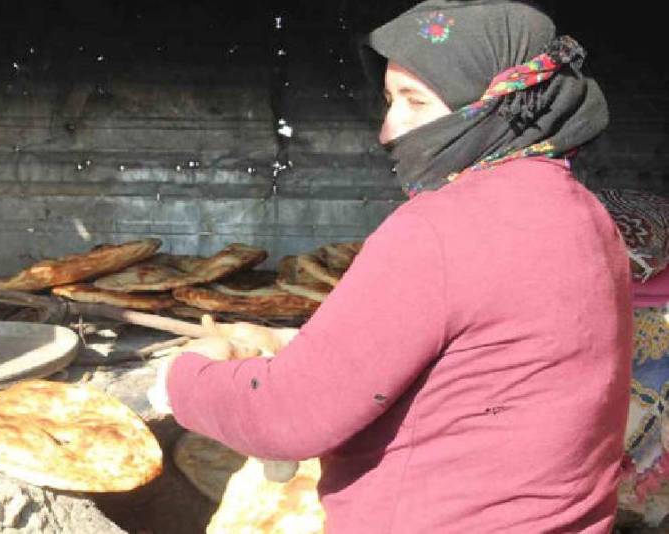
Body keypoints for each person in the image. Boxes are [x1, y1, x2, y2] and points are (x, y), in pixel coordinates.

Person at [151, 1, 631, 532]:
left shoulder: (441, 228)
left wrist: (185, 375)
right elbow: (485, 365)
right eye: (389, 101)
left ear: (492, 104)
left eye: (415, 102)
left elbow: (286, 417)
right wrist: (295, 348)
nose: (389, 130)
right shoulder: (585, 214)